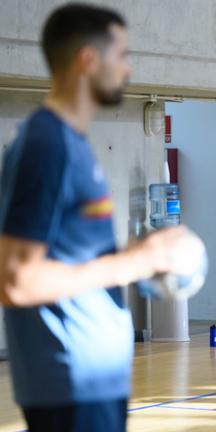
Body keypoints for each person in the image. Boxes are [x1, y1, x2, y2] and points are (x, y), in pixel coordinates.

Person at [0, 4, 186, 431]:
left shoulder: (72, 144)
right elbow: (16, 280)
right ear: (88, 59)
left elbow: (70, 257)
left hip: (93, 379)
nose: (128, 69)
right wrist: (131, 263)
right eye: (121, 55)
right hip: (69, 380)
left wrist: (139, 255)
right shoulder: (45, 144)